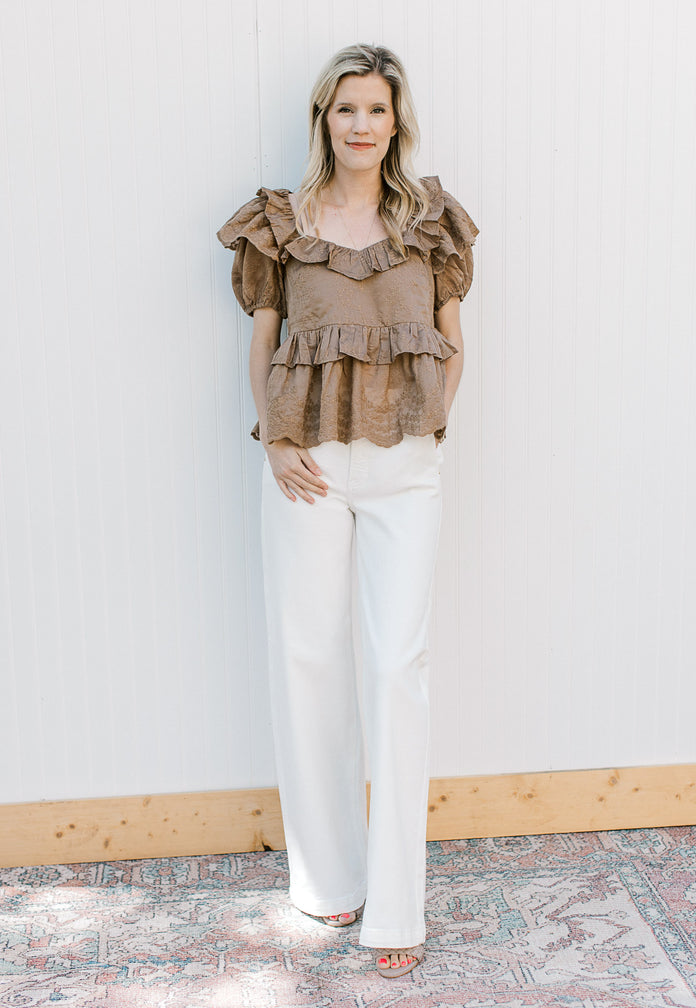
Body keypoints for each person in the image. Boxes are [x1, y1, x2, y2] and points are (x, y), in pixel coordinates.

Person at [217, 43, 477, 978]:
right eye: (344, 110)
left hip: (406, 465)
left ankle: (398, 904)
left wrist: (433, 423)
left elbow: (453, 343)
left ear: (396, 121)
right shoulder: (280, 224)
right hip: (308, 466)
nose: (361, 124)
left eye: (376, 109)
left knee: (396, 665)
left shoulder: (431, 222)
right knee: (309, 656)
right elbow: (264, 341)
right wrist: (275, 439)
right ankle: (327, 877)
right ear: (323, 121)